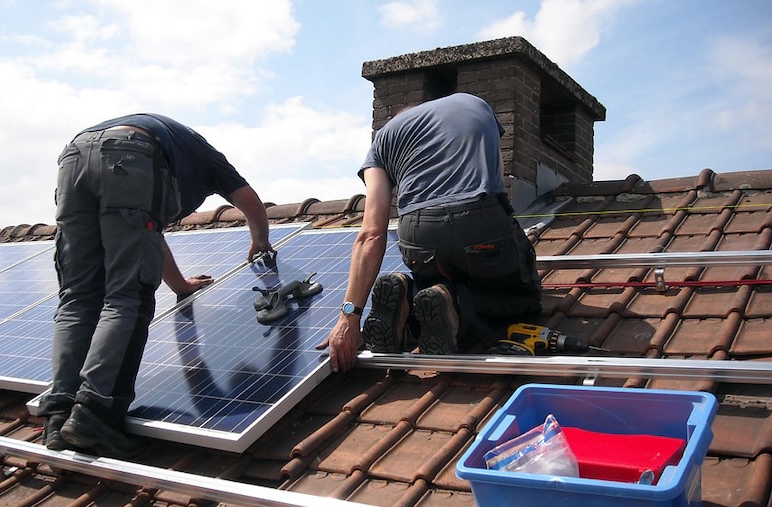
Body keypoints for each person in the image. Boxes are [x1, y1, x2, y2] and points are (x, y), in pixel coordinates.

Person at [39, 113, 275, 457]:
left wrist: (179, 285)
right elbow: (252, 204)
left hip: (74, 157)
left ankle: (58, 418)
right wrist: (261, 241)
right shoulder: (208, 158)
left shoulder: (175, 147)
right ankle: (95, 413)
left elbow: (146, 236)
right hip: (129, 155)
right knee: (126, 298)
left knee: (77, 297)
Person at [319, 93, 541, 372]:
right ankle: (456, 307)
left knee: (435, 280)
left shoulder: (382, 140)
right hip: (479, 218)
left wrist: (349, 317)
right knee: (525, 298)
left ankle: (408, 297)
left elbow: (371, 233)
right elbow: (498, 184)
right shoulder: (475, 103)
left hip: (418, 234)